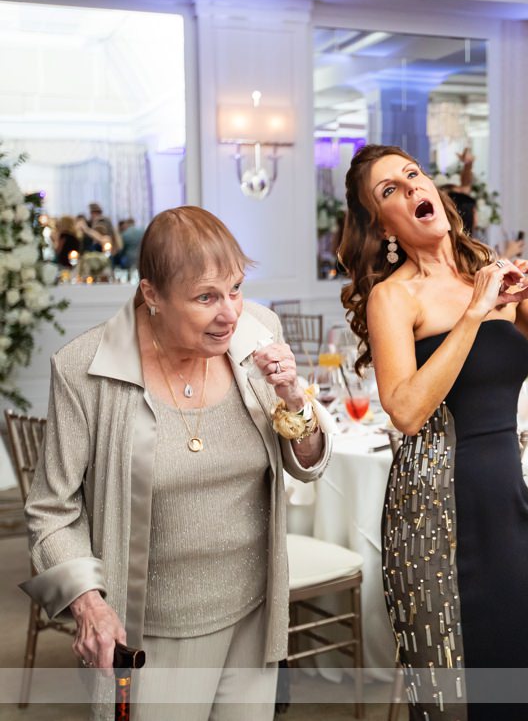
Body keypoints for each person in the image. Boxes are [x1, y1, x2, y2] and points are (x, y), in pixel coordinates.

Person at [21, 205, 332, 720]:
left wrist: (294, 401)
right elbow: (50, 510)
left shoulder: (257, 332)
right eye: (206, 297)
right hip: (150, 631)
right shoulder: (86, 369)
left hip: (254, 615)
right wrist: (89, 604)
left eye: (235, 288)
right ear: (152, 296)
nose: (230, 312)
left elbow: (308, 465)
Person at [337, 144, 528, 720]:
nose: (410, 189)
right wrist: (473, 314)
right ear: (382, 226)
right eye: (389, 191)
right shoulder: (394, 297)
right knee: (467, 697)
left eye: (413, 175)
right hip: (434, 518)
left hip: (509, 505)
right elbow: (405, 411)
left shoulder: (486, 271)